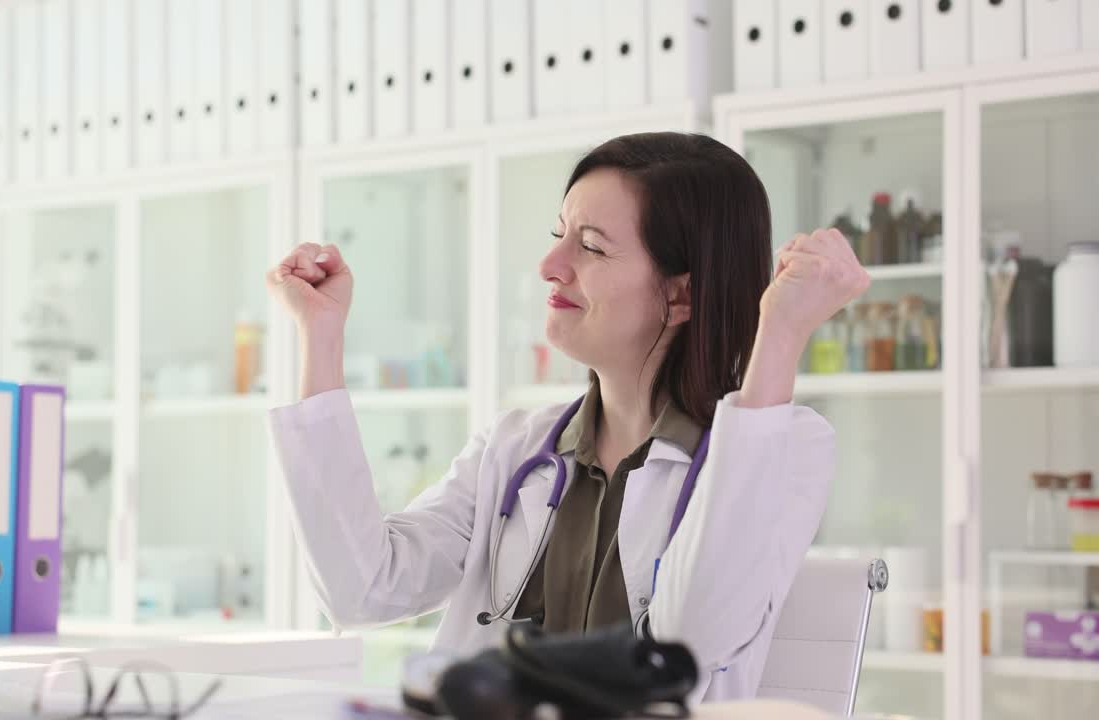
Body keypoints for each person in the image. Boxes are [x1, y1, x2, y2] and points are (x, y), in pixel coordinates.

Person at [265, 132, 870, 701]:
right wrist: (321, 337)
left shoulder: (783, 446)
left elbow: (689, 643)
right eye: (559, 234)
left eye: (590, 246)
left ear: (681, 294)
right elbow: (362, 590)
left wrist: (781, 335)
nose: (550, 264)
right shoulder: (516, 449)